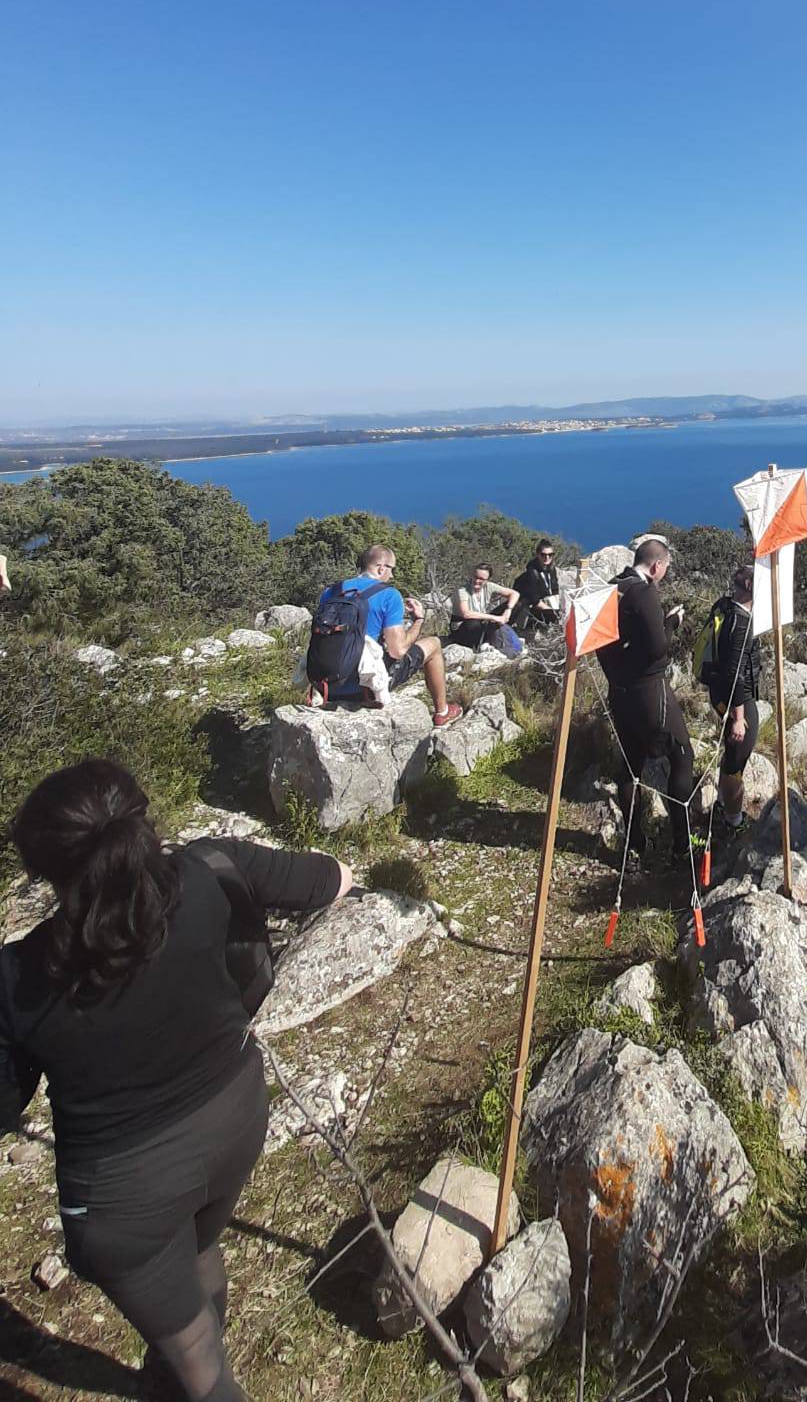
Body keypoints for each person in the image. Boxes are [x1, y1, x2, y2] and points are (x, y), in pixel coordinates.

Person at [0, 759, 353, 1401]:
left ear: (48, 872)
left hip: (124, 1199)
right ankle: (179, 1358)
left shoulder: (20, 977)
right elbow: (329, 879)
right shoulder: (207, 871)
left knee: (201, 1369)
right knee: (198, 1242)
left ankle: (186, 1365)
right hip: (235, 1118)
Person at [598, 535, 693, 864]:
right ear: (657, 565)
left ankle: (634, 842)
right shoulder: (644, 592)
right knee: (682, 756)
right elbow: (657, 647)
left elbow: (602, 641)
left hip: (619, 692)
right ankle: (682, 845)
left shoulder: (613, 587)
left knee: (629, 768)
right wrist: (672, 622)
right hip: (650, 692)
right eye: (664, 568)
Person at [330, 544, 461, 726]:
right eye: (391, 569)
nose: (391, 575)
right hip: (363, 686)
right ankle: (442, 712)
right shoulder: (389, 595)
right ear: (381, 568)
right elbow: (397, 651)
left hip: (328, 683)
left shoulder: (332, 591)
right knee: (434, 644)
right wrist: (418, 620)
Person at [698, 563, 762, 837]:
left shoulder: (724, 605)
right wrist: (738, 719)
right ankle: (733, 821)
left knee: (732, 752)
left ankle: (725, 805)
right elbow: (735, 675)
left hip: (719, 694)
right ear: (750, 587)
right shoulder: (743, 623)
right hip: (735, 698)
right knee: (737, 757)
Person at [448, 563, 525, 657]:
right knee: (473, 623)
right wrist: (495, 617)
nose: (477, 581)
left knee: (517, 604)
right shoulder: (462, 591)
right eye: (475, 577)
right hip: (463, 628)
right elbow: (466, 614)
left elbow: (515, 594)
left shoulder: (488, 586)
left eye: (481, 579)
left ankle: (502, 635)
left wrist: (508, 610)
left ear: (487, 580)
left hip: (482, 622)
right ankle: (480, 645)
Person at [512, 539, 562, 636]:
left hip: (545, 603)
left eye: (550, 555)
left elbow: (554, 590)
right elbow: (535, 600)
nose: (547, 557)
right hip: (529, 609)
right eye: (543, 555)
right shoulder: (532, 572)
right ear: (538, 554)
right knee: (557, 617)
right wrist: (553, 612)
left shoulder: (551, 569)